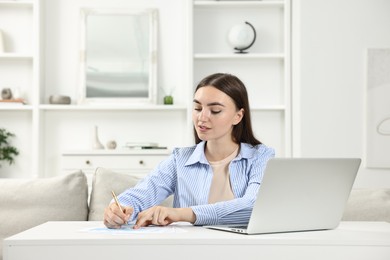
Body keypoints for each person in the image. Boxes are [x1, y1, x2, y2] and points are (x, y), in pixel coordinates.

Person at [104, 73, 275, 229]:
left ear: (238, 116)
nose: (202, 117)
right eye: (198, 108)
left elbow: (254, 205)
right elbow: (140, 195)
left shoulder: (261, 157)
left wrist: (182, 214)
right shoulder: (180, 160)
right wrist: (117, 209)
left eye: (215, 110)